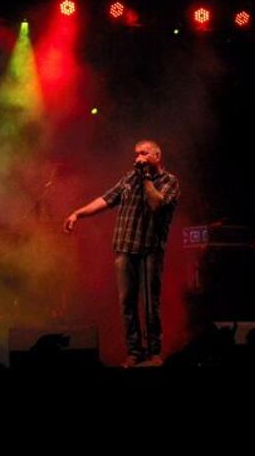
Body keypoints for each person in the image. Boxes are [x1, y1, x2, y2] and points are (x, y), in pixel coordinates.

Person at [64, 140, 180, 367]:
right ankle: (134, 352)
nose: (138, 158)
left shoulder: (169, 181)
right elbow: (106, 199)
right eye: (136, 154)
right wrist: (78, 213)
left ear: (157, 156)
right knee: (127, 303)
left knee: (150, 304)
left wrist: (146, 178)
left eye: (144, 153)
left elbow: (156, 204)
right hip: (124, 248)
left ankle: (154, 353)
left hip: (150, 250)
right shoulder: (129, 178)